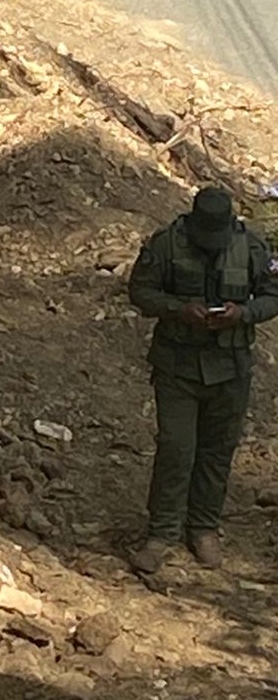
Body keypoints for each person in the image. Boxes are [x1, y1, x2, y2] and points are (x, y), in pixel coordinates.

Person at [127, 186, 278, 573]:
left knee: (217, 450)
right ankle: (162, 531)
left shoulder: (253, 248)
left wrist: (241, 314)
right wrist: (179, 309)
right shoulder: (166, 245)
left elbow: (273, 296)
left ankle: (203, 527)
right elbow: (140, 291)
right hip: (178, 366)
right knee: (177, 448)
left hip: (231, 368)